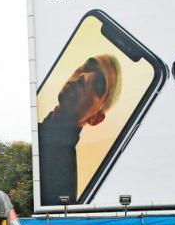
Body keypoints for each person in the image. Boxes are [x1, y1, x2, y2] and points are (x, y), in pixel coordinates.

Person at [38, 54, 121, 206]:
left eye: (98, 86)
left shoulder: (61, 176)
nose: (84, 77)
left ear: (96, 119)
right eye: (88, 67)